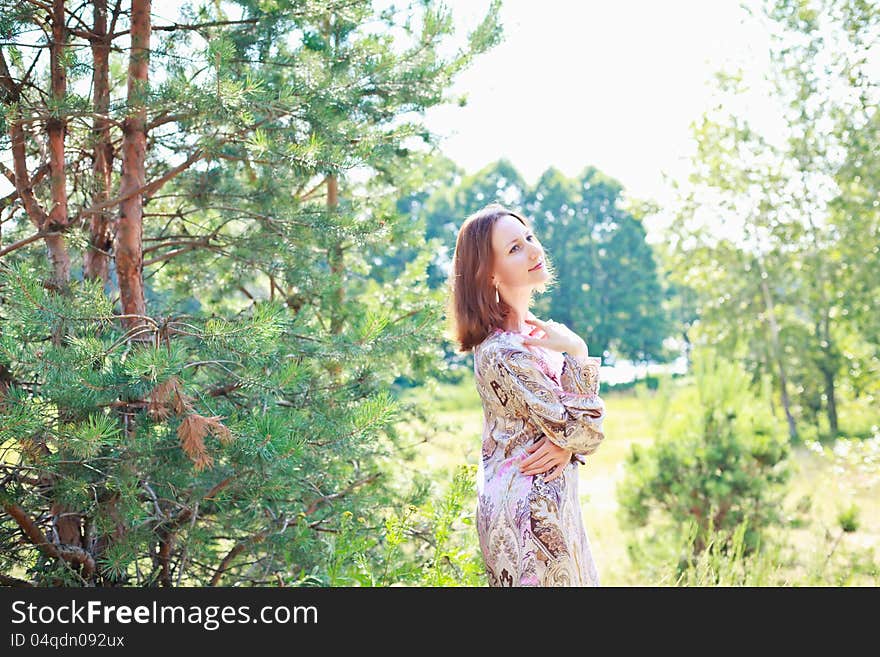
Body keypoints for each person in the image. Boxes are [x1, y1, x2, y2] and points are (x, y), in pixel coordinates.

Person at [446, 202, 607, 587]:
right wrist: (579, 351)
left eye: (529, 238)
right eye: (514, 249)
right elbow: (581, 431)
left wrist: (568, 443)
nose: (534, 251)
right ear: (489, 276)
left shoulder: (540, 337)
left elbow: (575, 433)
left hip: (551, 509)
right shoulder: (504, 352)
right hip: (526, 520)